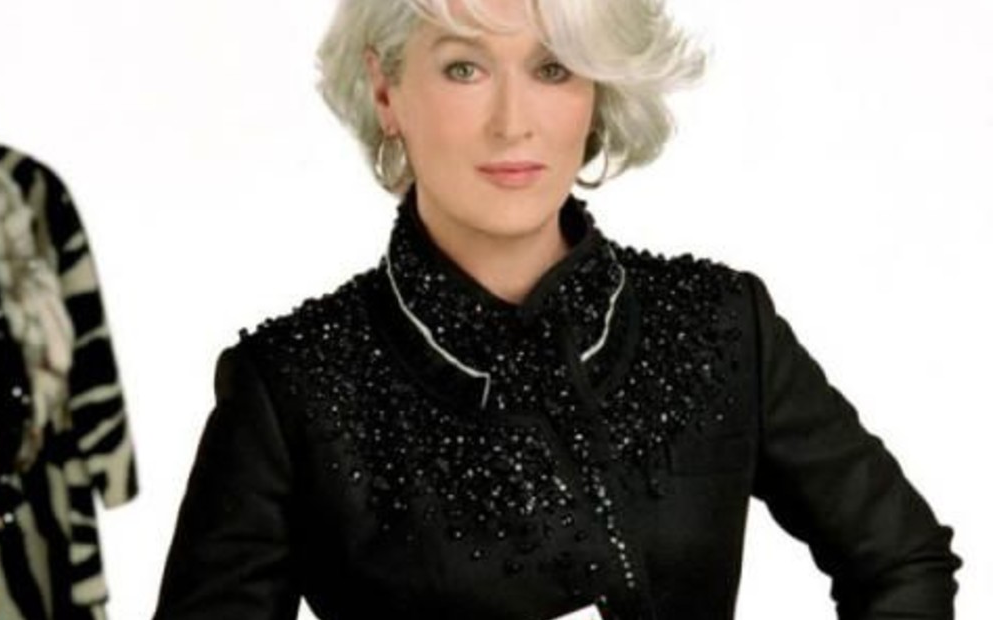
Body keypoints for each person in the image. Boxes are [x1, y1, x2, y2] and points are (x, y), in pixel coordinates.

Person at [152, 0, 962, 618]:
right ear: (386, 88)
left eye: (553, 69)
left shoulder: (718, 324)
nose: (514, 124)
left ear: (597, 90)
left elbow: (903, 563)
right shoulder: (294, 385)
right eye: (464, 69)